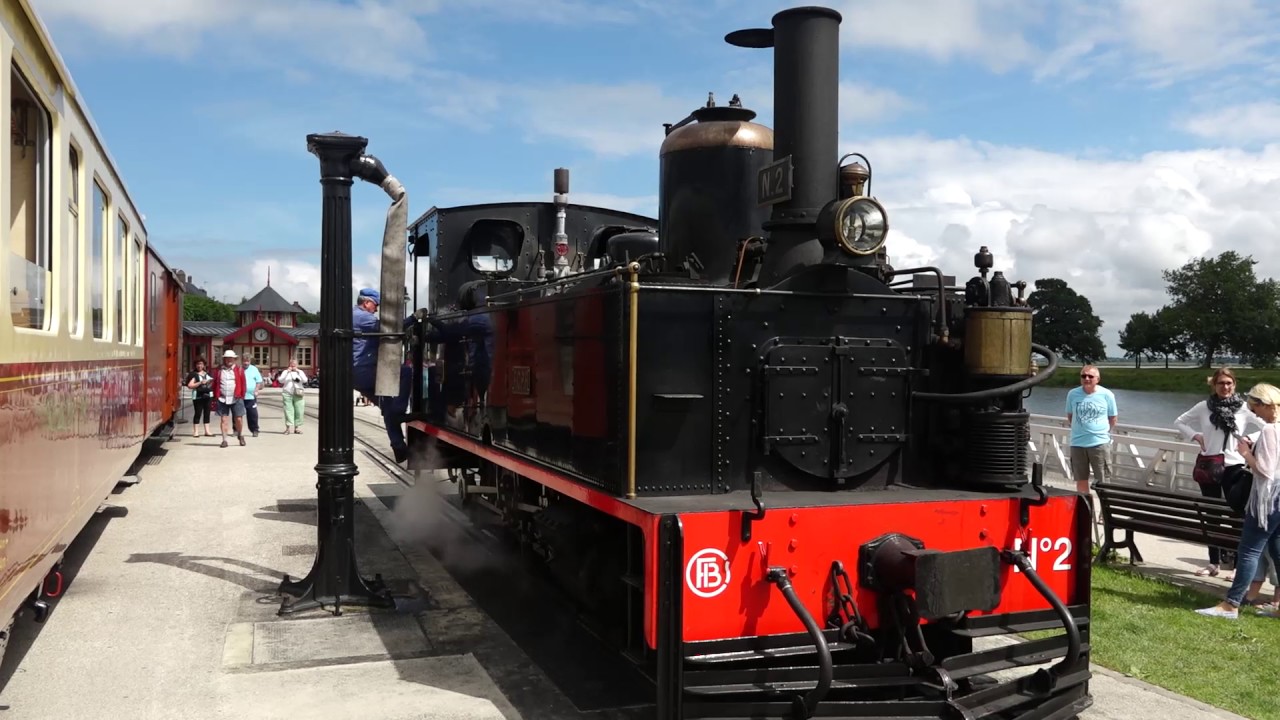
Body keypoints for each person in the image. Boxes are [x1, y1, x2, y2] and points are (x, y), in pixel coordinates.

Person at [1195, 383, 1280, 620]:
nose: (1253, 412)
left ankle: (1231, 605)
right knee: (1276, 549)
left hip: (1267, 498)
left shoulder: (1271, 430)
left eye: (1254, 407)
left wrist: (1246, 453)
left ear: (1264, 405)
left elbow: (1264, 470)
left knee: (1249, 550)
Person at [1175, 367, 1265, 577]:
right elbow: (1179, 422)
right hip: (1209, 465)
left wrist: (1250, 439)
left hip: (1233, 466)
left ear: (1234, 385)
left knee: (1236, 515)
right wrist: (1196, 436)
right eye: (1221, 383)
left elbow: (1268, 426)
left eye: (1229, 383)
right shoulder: (1203, 407)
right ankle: (1213, 562)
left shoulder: (1243, 407)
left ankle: (1234, 566)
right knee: (1212, 514)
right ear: (1213, 385)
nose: (1225, 387)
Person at [1065, 364, 1118, 496]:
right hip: (1077, 443)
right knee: (1081, 480)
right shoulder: (1072, 394)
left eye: (1090, 376)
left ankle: (1103, 513)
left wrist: (1101, 432)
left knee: (1102, 480)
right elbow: (1070, 416)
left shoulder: (1107, 395)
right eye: (1083, 376)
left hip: (1099, 443)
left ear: (1097, 379)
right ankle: (1087, 511)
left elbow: (1113, 418)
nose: (1087, 378)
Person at [214, 349, 248, 448]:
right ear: (224, 359)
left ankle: (240, 435)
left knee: (238, 419)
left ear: (234, 359)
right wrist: (216, 395)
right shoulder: (219, 370)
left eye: (231, 358)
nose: (229, 360)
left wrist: (242, 396)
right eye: (227, 358)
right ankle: (224, 440)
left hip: (236, 398)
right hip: (222, 398)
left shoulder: (240, 370)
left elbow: (243, 384)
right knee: (224, 419)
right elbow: (216, 383)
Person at [278, 358, 308, 434]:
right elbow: (280, 380)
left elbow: (305, 380)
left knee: (299, 411)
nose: (293, 366)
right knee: (288, 410)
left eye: (295, 364)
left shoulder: (300, 372)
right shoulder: (285, 372)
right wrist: (287, 372)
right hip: (287, 393)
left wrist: (298, 372)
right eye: (292, 364)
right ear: (289, 364)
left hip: (298, 393)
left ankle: (297, 428)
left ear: (297, 365)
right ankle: (288, 428)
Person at [185, 359, 214, 438]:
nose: (199, 366)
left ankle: (207, 431)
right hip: (198, 396)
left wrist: (210, 382)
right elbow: (190, 385)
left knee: (207, 413)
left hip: (208, 395)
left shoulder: (208, 374)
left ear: (204, 365)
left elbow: (213, 383)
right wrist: (200, 382)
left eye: (201, 364)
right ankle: (196, 432)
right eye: (198, 364)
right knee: (198, 413)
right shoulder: (193, 374)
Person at [241, 355, 265, 438]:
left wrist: (256, 390)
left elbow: (258, 381)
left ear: (250, 361)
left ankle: (254, 429)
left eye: (248, 361)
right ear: (242, 361)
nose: (246, 363)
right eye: (244, 361)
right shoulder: (239, 369)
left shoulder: (254, 369)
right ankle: (236, 430)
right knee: (237, 414)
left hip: (251, 396)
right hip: (240, 395)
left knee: (252, 414)